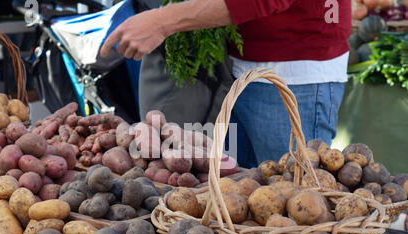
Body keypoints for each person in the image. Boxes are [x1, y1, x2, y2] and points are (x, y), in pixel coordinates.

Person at [100, 0, 352, 168]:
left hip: (295, 76)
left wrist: (162, 21)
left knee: (294, 206)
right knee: (236, 198)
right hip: (238, 70)